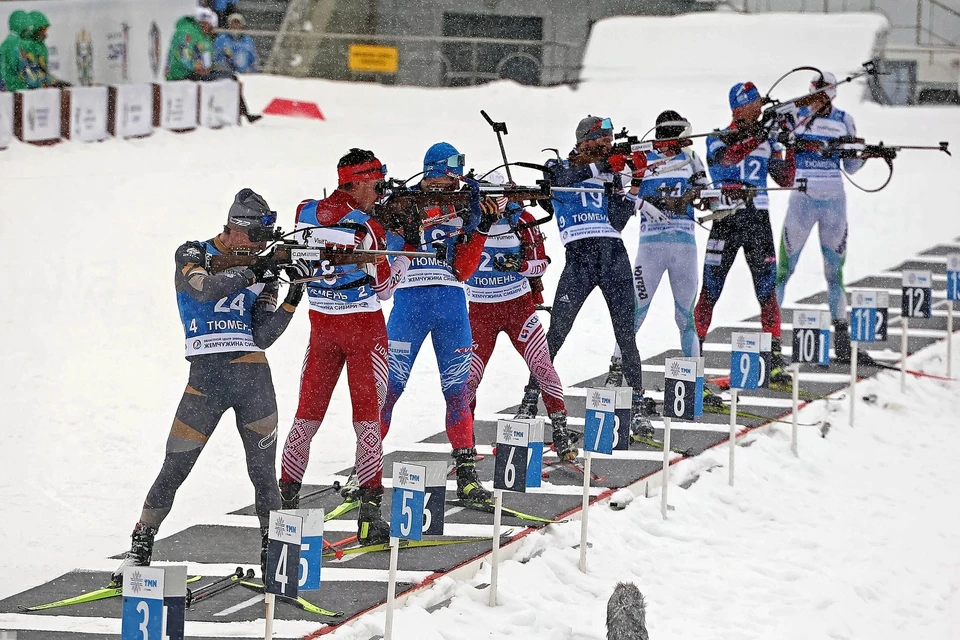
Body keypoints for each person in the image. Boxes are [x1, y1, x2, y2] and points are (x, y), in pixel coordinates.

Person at [113, 189, 304, 582]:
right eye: (253, 240)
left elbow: (264, 335)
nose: (257, 247)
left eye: (263, 243)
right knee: (175, 466)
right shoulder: (193, 252)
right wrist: (256, 269)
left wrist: (292, 295)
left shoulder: (261, 267)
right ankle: (140, 545)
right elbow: (203, 289)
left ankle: (274, 553)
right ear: (234, 230)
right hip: (205, 381)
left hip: (253, 378)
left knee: (263, 473)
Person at [278, 149, 412, 545]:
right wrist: (401, 250)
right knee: (368, 421)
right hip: (364, 331)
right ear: (355, 182)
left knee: (306, 417)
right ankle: (370, 516)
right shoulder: (368, 227)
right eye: (374, 184)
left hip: (321, 329)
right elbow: (386, 289)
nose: (379, 192)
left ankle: (283, 507)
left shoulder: (304, 211)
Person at [514, 116, 659, 439]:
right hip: (579, 258)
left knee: (626, 335)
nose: (606, 146)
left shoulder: (608, 172)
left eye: (609, 141)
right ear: (583, 141)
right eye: (599, 141)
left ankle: (635, 406)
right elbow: (562, 179)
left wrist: (634, 180)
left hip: (612, 254)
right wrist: (602, 165)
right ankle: (529, 399)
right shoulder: (560, 165)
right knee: (557, 332)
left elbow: (617, 220)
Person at [380, 142, 501, 506]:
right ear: (434, 169)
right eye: (452, 168)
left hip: (451, 303)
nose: (456, 177)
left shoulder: (465, 204)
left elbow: (464, 270)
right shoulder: (404, 203)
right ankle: (364, 468)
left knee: (458, 392)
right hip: (410, 301)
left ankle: (466, 473)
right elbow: (388, 250)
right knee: (388, 389)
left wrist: (481, 228)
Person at [464, 172, 577, 461]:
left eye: (497, 195)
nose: (492, 203)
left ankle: (561, 432)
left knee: (542, 367)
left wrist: (519, 265)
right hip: (480, 313)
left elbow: (541, 265)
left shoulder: (522, 219)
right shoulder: (468, 218)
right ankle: (465, 446)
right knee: (468, 380)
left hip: (518, 310)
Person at [693, 82, 796, 386]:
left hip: (757, 219)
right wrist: (761, 135)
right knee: (710, 291)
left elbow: (785, 178)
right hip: (726, 218)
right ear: (739, 108)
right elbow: (728, 158)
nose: (761, 109)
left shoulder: (767, 138)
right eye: (755, 104)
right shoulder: (716, 137)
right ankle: (694, 358)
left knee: (767, 291)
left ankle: (774, 358)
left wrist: (790, 146)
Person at [775, 71, 877, 364]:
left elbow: (852, 168)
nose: (816, 100)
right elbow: (781, 139)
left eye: (821, 95)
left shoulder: (844, 120)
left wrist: (860, 154)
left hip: (834, 201)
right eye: (813, 93)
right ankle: (769, 343)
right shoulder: (797, 114)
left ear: (831, 95)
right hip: (802, 200)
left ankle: (843, 342)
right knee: (784, 271)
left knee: (835, 274)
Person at [604, 110, 706, 387]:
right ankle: (616, 371)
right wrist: (642, 203)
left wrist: (693, 197)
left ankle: (696, 380)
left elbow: (707, 193)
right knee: (636, 311)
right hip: (651, 248)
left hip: (684, 247)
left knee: (685, 316)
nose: (688, 142)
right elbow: (615, 191)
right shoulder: (641, 159)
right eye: (683, 136)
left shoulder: (692, 159)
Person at [166, 8, 261, 123]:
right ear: (205, 23)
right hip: (182, 74)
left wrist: (206, 67)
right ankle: (240, 114)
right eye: (211, 27)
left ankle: (243, 113)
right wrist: (197, 67)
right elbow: (182, 54)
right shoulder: (187, 32)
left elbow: (206, 57)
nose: (212, 30)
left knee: (231, 77)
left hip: (194, 72)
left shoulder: (202, 35)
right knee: (227, 78)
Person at [19, 11, 68, 89]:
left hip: (40, 85)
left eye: (46, 30)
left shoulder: (42, 46)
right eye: (42, 30)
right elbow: (29, 71)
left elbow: (43, 70)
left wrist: (52, 81)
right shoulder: (25, 45)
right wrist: (48, 82)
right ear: (34, 29)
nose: (45, 33)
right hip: (28, 89)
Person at [0, 10, 28, 92]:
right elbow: (20, 67)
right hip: (15, 89)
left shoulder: (5, 43)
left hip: (5, 88)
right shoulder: (16, 44)